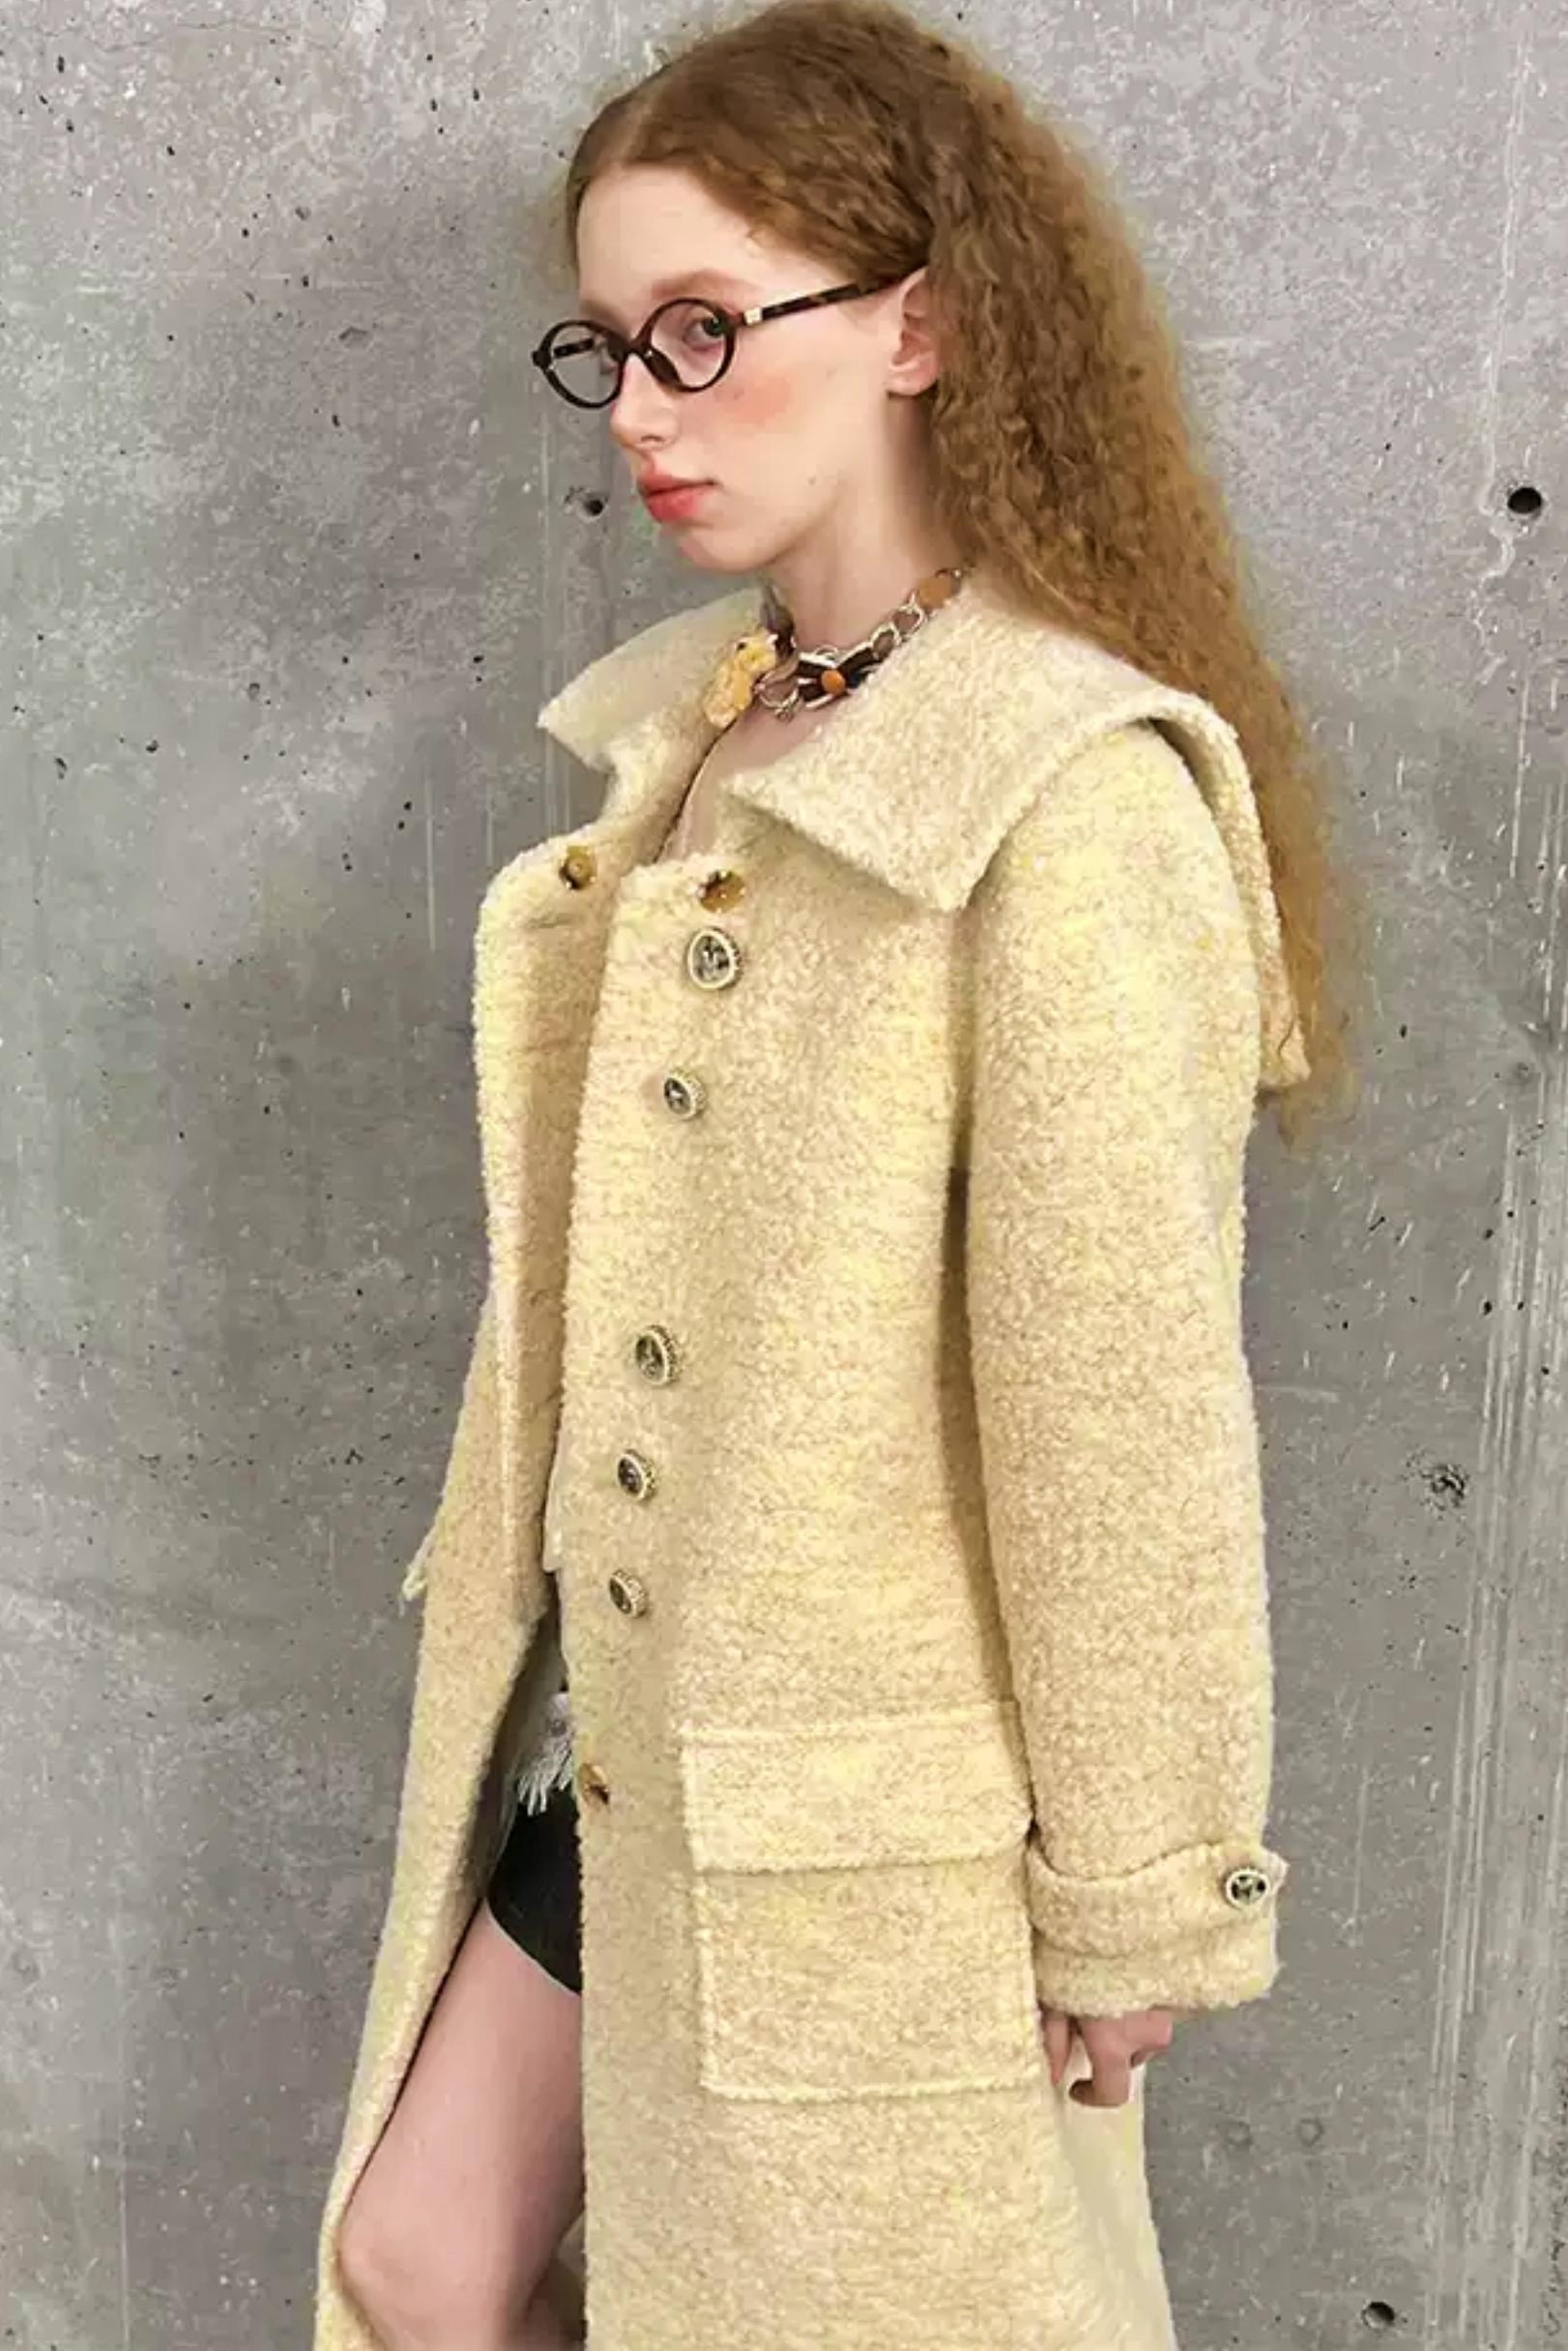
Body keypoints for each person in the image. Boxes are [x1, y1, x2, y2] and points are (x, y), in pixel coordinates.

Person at [314, 3, 1358, 2345]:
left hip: (860, 1809)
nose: (644, 409)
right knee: (419, 2258)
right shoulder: (718, 727)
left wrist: (1135, 1885)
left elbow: (1119, 1401)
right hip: (639, 1746)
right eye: (612, 348)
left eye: (704, 329)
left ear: (920, 322)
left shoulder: (1064, 794)